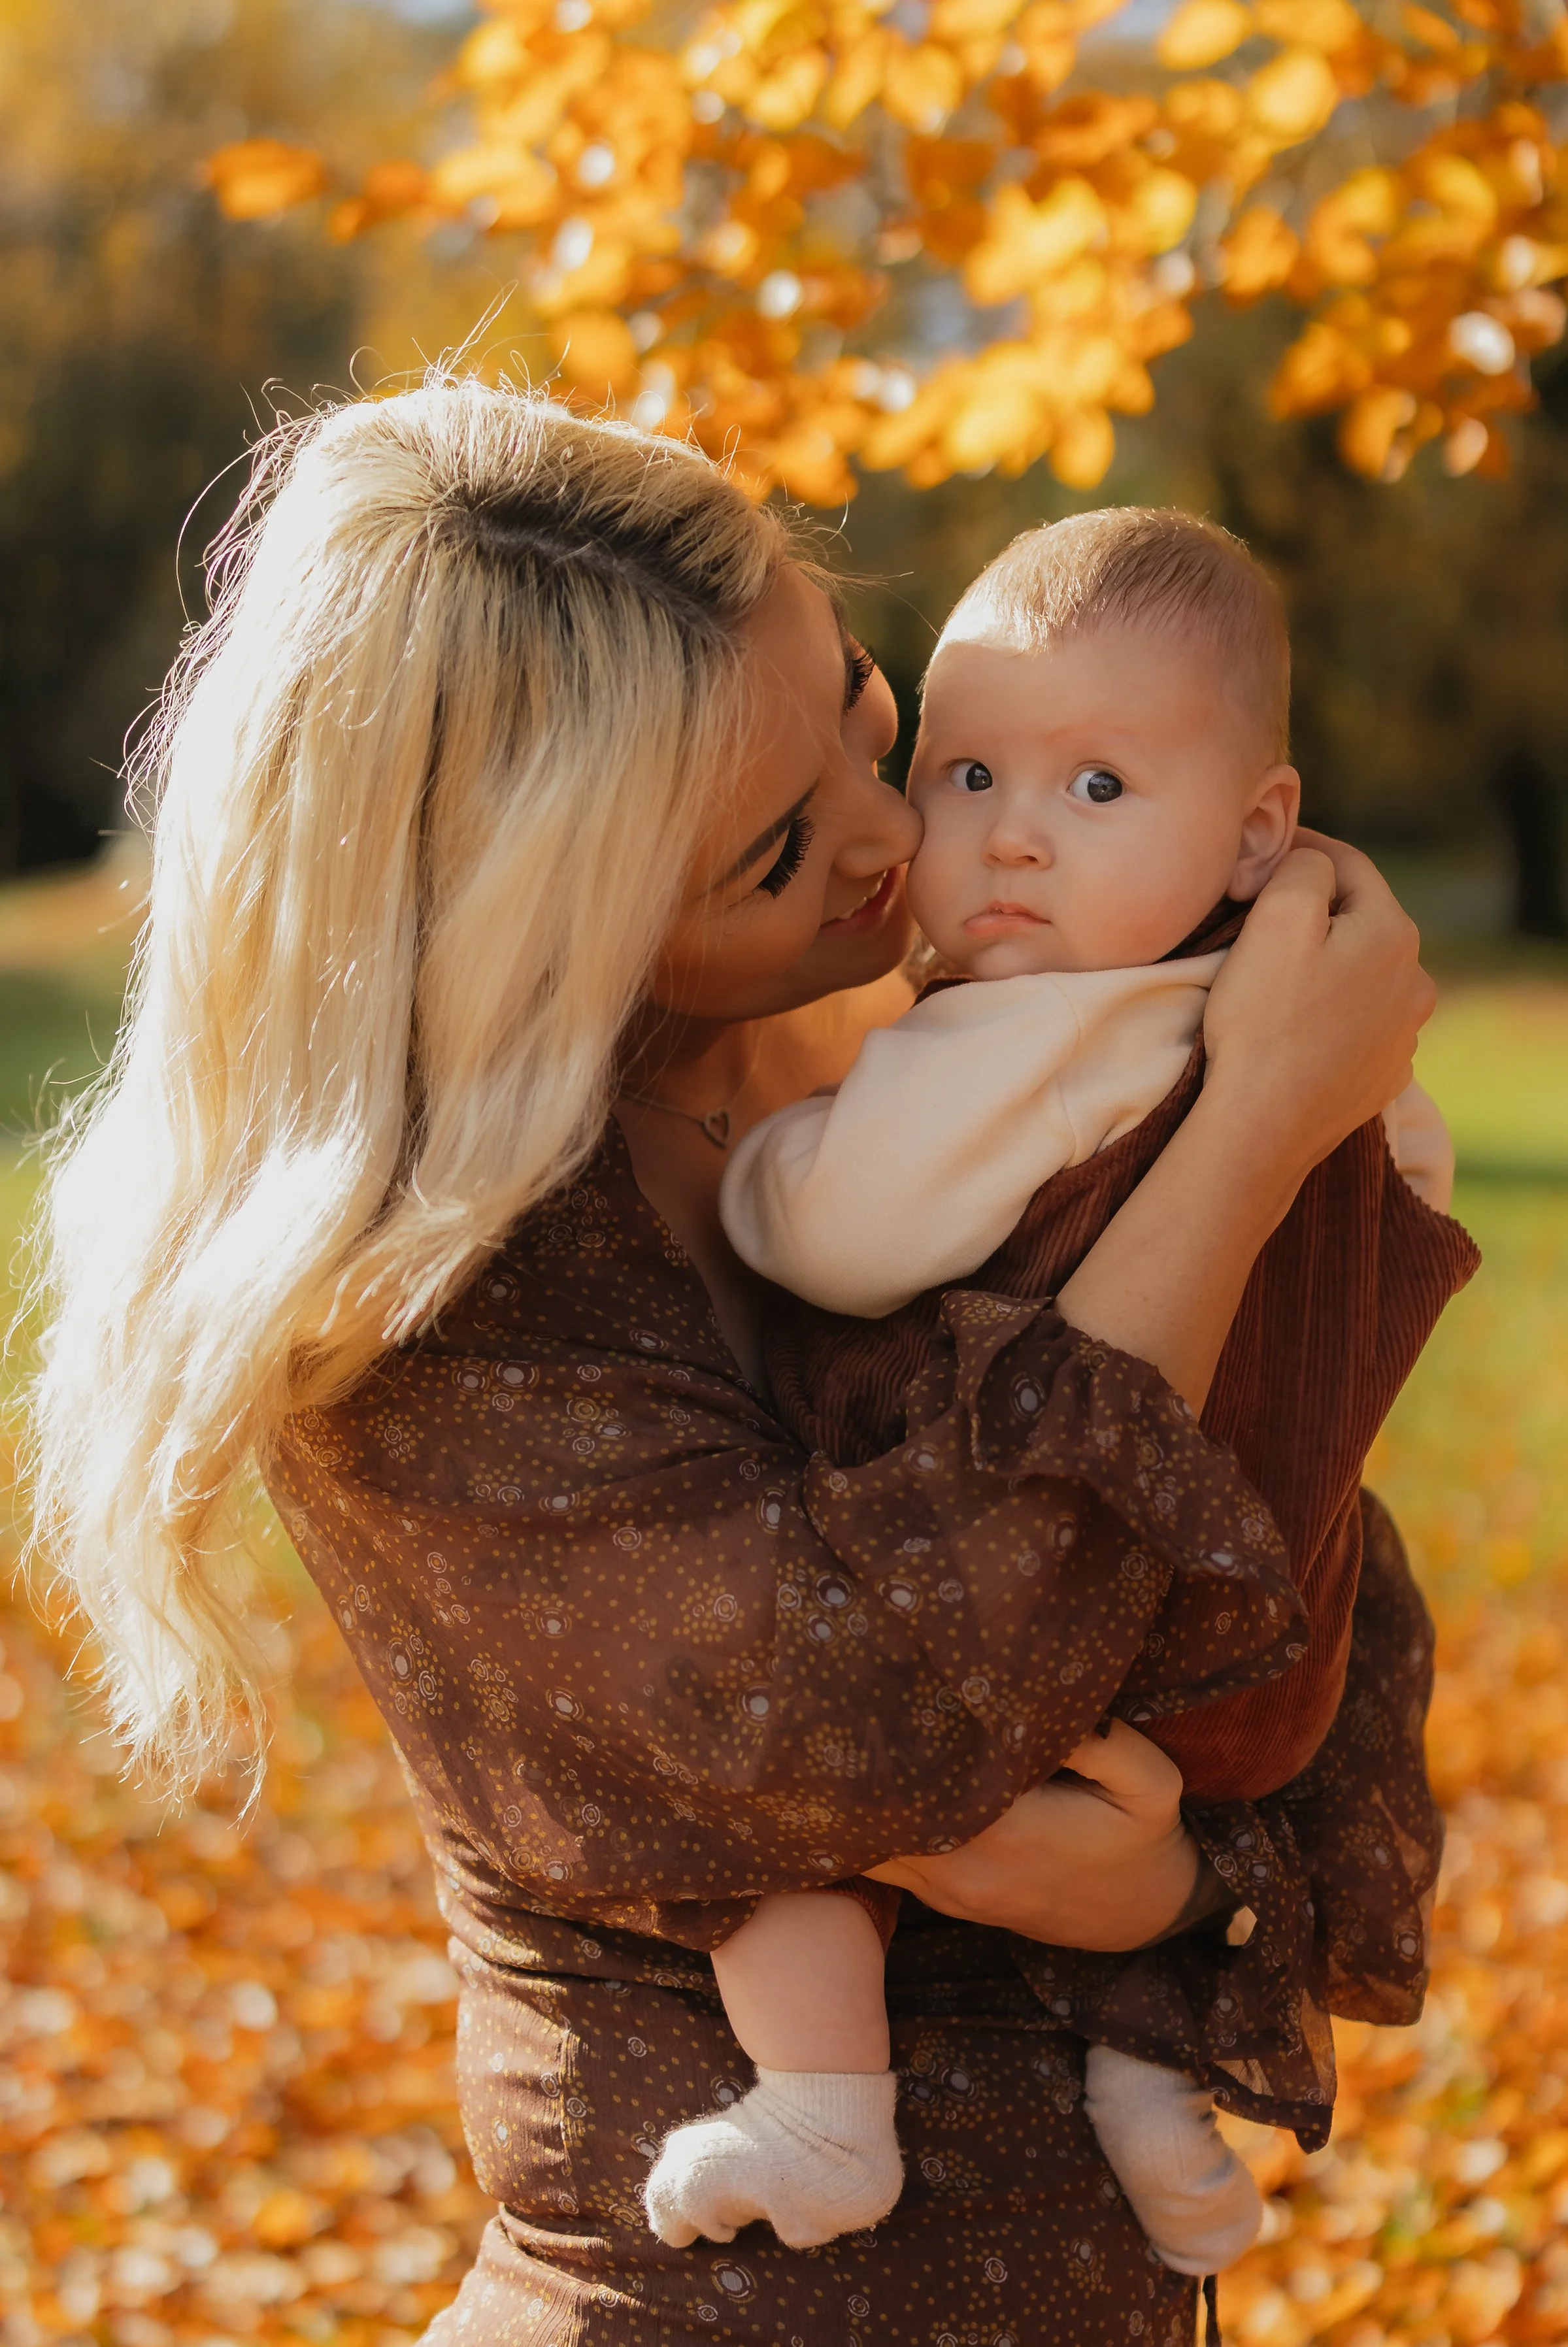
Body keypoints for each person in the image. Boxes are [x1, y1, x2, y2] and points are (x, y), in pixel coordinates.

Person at [29, 380, 1442, 2346]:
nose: (897, 838)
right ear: (550, 937)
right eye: (782, 848)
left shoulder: (960, 1071)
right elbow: (896, 1705)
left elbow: (1275, 1576)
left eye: (870, 717)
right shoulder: (440, 1326)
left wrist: (1170, 1891)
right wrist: (1255, 1127)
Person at [648, 510, 1475, 2272]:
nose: (1009, 832)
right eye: (965, 772)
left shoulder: (1019, 1037)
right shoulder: (1284, 1009)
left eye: (1099, 788)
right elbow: (1408, 1186)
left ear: (1258, 827)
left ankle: (819, 2101)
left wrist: (769, 1165)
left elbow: (848, 1230)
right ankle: (1148, 2079)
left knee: (791, 1775)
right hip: (1275, 1650)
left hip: (1047, 1611)